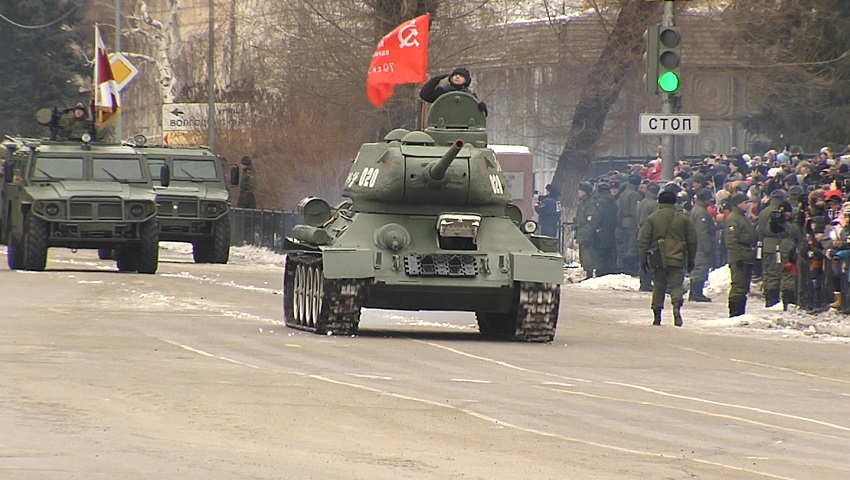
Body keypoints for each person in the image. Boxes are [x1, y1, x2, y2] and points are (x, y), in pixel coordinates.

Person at [638, 190, 697, 326]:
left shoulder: (652, 218)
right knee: (676, 285)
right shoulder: (683, 219)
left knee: (659, 286)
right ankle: (676, 306)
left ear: (659, 201)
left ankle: (657, 315)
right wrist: (691, 259)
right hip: (678, 256)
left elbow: (644, 240)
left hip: (658, 257)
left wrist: (643, 260)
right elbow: (692, 240)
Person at [757, 189, 790, 307]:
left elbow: (760, 229)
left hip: (765, 246)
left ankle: (768, 297)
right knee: (775, 273)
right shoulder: (778, 212)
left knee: (767, 273)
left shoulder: (764, 211)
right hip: (777, 245)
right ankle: (773, 300)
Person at [725, 193, 756, 317]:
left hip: (746, 255)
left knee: (743, 287)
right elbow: (731, 240)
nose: (747, 205)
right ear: (738, 204)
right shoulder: (734, 219)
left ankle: (740, 312)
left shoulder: (742, 217)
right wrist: (737, 257)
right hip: (740, 256)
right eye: (745, 203)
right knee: (738, 285)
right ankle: (735, 312)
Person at [419, 67, 488, 115]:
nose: (457, 77)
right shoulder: (443, 91)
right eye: (455, 75)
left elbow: (481, 116)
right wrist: (435, 80)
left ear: (466, 80)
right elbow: (425, 95)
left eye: (461, 76)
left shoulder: (470, 96)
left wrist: (482, 108)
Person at [689, 188, 716, 302]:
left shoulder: (697, 210)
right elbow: (702, 232)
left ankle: (695, 292)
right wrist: (708, 247)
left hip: (697, 244)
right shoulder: (701, 213)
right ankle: (696, 292)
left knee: (699, 268)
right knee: (700, 268)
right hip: (701, 246)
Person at [616, 174, 642, 275]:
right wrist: (638, 223)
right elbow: (635, 211)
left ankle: (623, 267)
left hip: (623, 223)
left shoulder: (623, 193)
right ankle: (630, 269)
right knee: (631, 247)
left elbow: (619, 211)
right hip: (631, 223)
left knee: (625, 246)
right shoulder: (635, 195)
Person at [636, 182, 660, 291]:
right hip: (649, 235)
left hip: (641, 233)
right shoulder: (654, 204)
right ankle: (646, 283)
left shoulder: (642, 202)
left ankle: (643, 282)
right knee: (650, 259)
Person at [575, 181, 600, 280]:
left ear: (585, 192)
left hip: (587, 233)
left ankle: (589, 274)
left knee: (588, 254)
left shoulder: (590, 204)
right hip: (582, 231)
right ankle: (587, 272)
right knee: (583, 255)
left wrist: (586, 234)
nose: (579, 192)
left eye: (581, 190)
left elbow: (591, 222)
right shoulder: (583, 202)